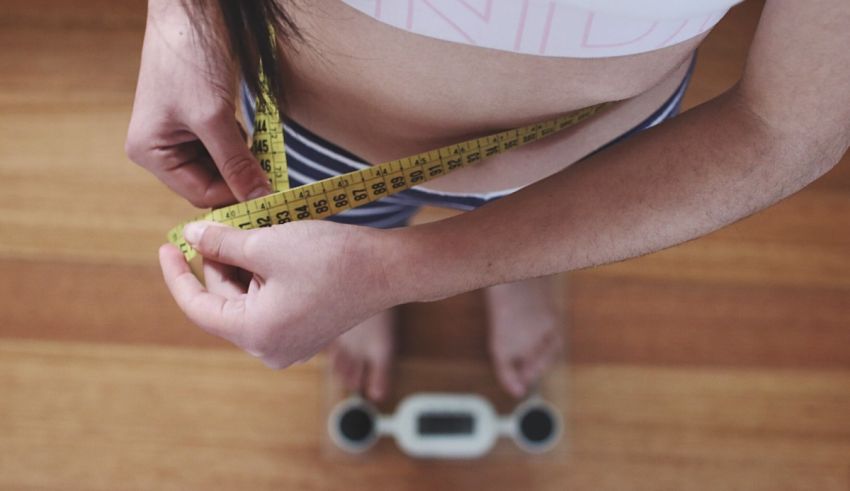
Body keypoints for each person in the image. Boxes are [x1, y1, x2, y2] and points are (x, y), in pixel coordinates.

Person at [126, 0, 850, 402]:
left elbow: (785, 127)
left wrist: (397, 272)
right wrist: (182, 14)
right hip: (308, 128)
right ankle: (387, 276)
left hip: (591, 163)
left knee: (525, 241)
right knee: (338, 230)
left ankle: (501, 269)